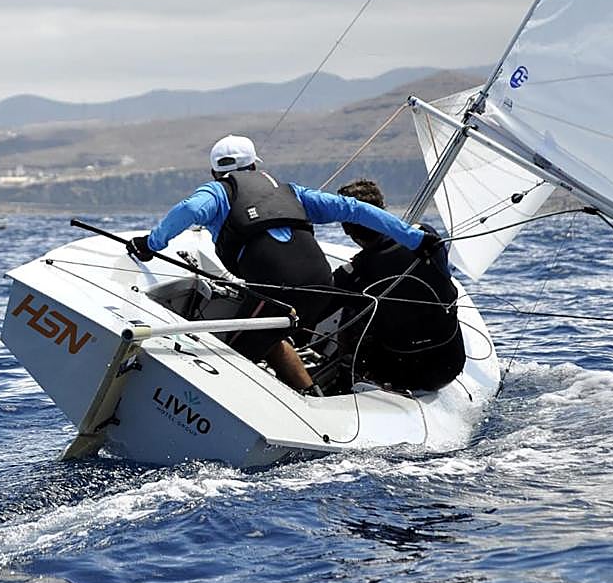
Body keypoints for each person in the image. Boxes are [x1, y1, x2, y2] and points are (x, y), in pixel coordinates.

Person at [127, 135, 438, 396]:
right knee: (276, 336)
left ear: (213, 172)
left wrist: (150, 244)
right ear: (254, 166)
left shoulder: (218, 192)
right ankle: (312, 386)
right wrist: (413, 238)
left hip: (278, 295)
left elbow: (191, 208)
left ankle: (307, 401)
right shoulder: (293, 193)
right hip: (320, 290)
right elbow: (354, 209)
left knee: (234, 355)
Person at [330, 179, 464, 393]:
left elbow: (315, 308)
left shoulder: (351, 274)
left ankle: (347, 379)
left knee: (352, 311)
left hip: (400, 375)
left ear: (347, 230)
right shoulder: (427, 236)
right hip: (451, 363)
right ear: (383, 212)